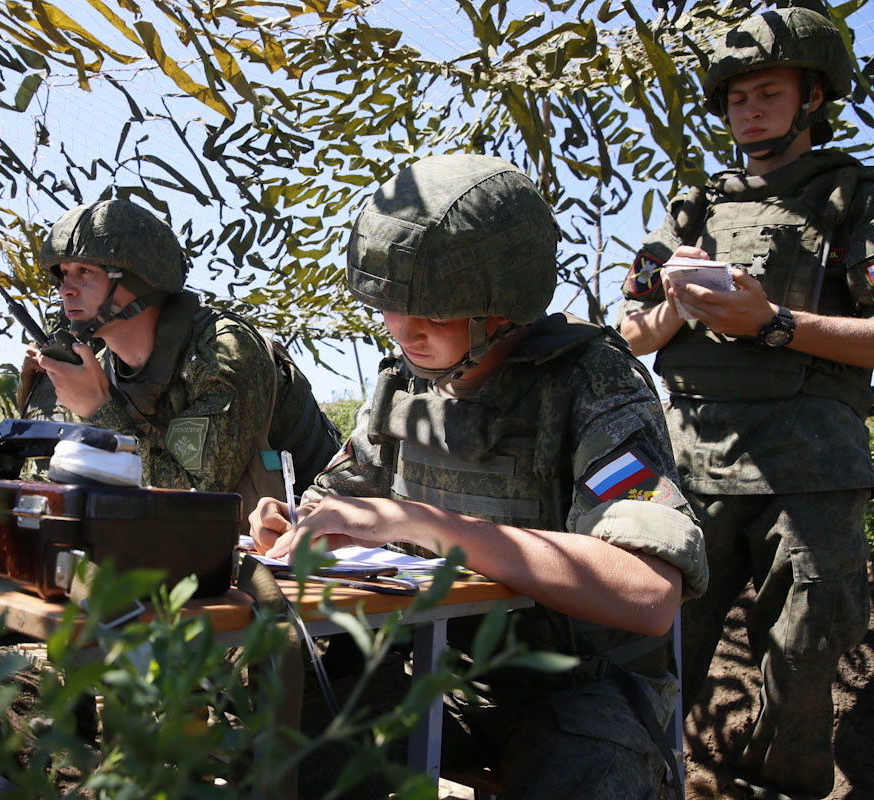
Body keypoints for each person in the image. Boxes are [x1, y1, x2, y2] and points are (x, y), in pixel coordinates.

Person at [250, 153, 707, 799]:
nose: (404, 331)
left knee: (578, 774)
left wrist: (418, 522)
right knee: (292, 759)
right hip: (436, 667)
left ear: (504, 307)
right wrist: (290, 525)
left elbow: (648, 591)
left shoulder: (593, 384)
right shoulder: (405, 384)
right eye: (389, 305)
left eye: (433, 312)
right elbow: (337, 503)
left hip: (579, 684)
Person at [616, 8, 874, 799]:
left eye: (769, 92)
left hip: (809, 469)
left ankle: (787, 788)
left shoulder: (850, 196)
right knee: (652, 642)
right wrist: (677, 304)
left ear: (814, 98)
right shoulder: (692, 206)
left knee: (803, 653)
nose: (750, 110)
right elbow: (630, 334)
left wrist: (773, 324)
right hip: (689, 462)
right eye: (736, 98)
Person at [18, 199, 340, 513]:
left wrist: (101, 411)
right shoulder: (102, 371)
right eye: (62, 274)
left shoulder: (222, 350)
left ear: (139, 277)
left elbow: (193, 501)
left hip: (323, 548)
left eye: (85, 271)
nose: (66, 289)